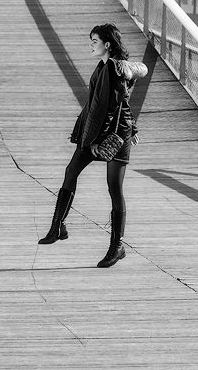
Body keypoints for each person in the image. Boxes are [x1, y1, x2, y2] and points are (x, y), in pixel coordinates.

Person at [38, 24, 148, 268]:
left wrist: (97, 140)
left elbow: (111, 106)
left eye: (95, 40)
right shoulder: (106, 66)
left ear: (107, 44)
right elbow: (120, 101)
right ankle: (58, 227)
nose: (91, 44)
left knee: (114, 188)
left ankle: (117, 246)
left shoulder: (113, 67)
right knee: (71, 171)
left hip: (113, 135)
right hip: (99, 133)